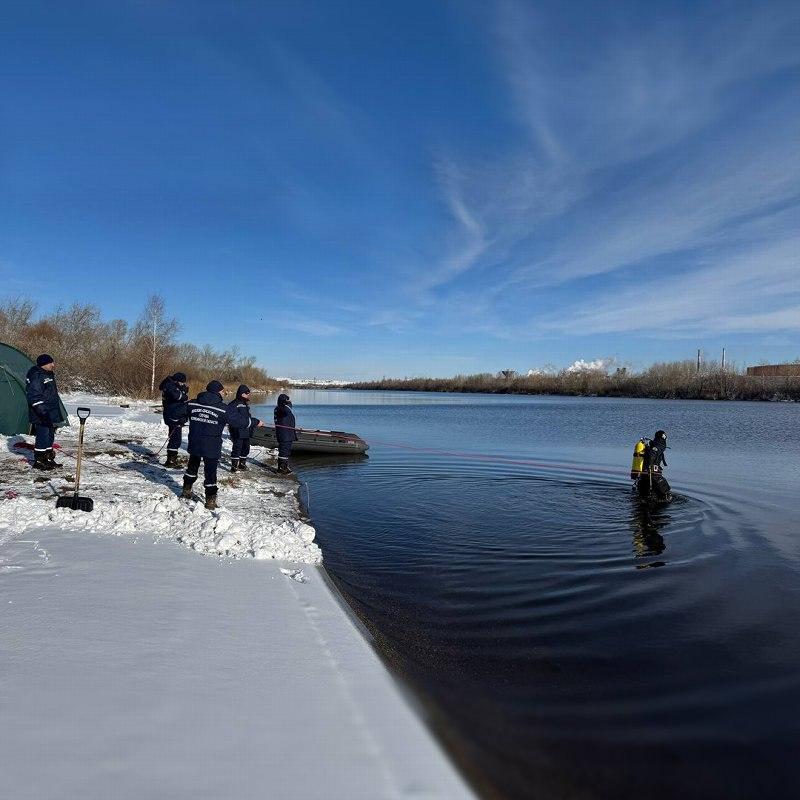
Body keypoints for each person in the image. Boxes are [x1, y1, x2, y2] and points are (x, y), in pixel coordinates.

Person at [181, 380, 232, 510]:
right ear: (218, 391)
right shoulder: (223, 409)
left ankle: (186, 490)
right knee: (210, 473)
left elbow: (178, 412)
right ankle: (210, 501)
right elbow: (239, 421)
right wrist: (255, 422)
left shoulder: (192, 403)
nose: (223, 392)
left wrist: (179, 420)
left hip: (195, 443)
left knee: (192, 466)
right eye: (222, 390)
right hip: (211, 446)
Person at [25, 354, 64, 471]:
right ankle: (39, 461)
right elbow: (34, 396)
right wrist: (43, 412)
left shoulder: (48, 374)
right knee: (43, 435)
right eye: (50, 363)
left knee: (49, 435)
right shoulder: (36, 375)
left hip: (50, 411)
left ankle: (48, 458)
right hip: (41, 412)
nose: (53, 365)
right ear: (44, 364)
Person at [227, 384, 264, 472]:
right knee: (237, 448)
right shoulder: (233, 404)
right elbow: (232, 419)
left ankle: (242, 464)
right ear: (242, 394)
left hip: (246, 431)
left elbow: (247, 417)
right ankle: (234, 466)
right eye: (247, 393)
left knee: (246, 448)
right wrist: (255, 422)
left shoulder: (245, 404)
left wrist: (254, 423)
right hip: (237, 431)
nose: (249, 395)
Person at [159, 372, 189, 467]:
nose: (183, 384)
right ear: (176, 381)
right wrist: (183, 393)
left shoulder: (172, 385)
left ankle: (171, 459)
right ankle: (171, 461)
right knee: (175, 439)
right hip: (172, 414)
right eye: (181, 383)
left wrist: (182, 390)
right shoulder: (169, 386)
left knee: (175, 438)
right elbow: (176, 396)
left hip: (174, 413)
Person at [636, 430, 672, 501]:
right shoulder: (656, 448)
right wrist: (650, 465)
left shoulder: (652, 446)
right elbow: (651, 456)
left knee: (642, 497)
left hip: (643, 476)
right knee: (666, 495)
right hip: (654, 475)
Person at [273, 393, 297, 474]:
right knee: (284, 450)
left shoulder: (281, 408)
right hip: (284, 434)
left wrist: (287, 403)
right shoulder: (281, 409)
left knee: (286, 451)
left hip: (287, 434)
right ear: (283, 401)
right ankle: (281, 468)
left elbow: (288, 409)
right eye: (287, 400)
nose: (289, 402)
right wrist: (286, 403)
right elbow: (287, 411)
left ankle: (284, 466)